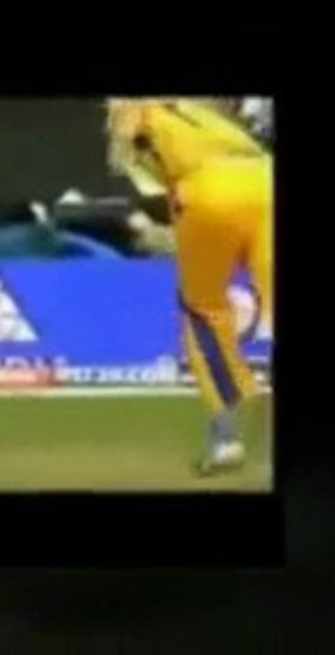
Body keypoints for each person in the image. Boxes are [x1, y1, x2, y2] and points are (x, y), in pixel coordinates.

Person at [105, 98, 273, 475]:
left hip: (208, 189)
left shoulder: (136, 111)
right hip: (266, 179)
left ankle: (225, 438)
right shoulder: (202, 113)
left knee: (202, 310)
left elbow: (130, 160)